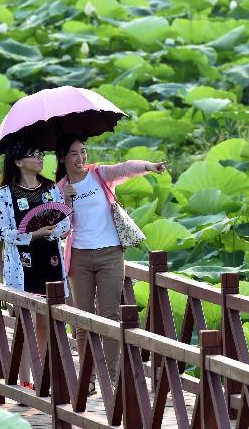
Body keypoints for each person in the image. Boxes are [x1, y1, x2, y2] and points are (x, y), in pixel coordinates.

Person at [55, 134, 166, 391]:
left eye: (83, 151)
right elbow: (61, 231)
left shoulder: (99, 175)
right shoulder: (59, 189)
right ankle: (88, 378)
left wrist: (149, 167)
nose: (81, 158)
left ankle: (112, 377)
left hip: (110, 255)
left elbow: (124, 168)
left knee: (110, 315)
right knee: (82, 319)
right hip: (79, 257)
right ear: (62, 158)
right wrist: (67, 202)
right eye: (74, 153)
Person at [0, 139, 71, 388]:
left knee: (46, 321)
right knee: (25, 320)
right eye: (33, 155)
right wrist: (31, 234)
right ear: (18, 162)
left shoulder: (50, 188)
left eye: (41, 154)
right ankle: (26, 378)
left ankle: (44, 376)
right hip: (24, 262)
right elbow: (2, 231)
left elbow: (64, 224)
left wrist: (52, 229)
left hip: (50, 258)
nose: (40, 159)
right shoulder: (6, 194)